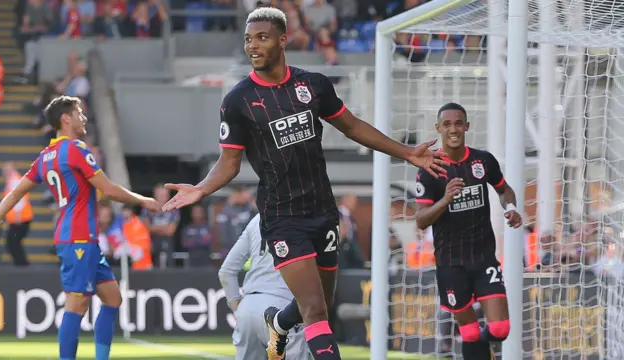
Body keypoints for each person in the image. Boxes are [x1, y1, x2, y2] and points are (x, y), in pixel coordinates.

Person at [161, 7, 448, 360]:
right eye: (248, 39)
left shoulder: (312, 85)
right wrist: (202, 188)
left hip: (323, 212)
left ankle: (279, 325)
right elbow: (229, 162)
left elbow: (353, 127)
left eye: (262, 38)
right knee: (314, 309)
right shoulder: (238, 101)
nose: (253, 46)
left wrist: (407, 153)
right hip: (282, 217)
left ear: (283, 40)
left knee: (321, 304)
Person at [0, 95, 160, 360]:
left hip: (79, 238)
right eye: (79, 112)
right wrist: (143, 200)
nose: (84, 117)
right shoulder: (76, 149)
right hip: (77, 238)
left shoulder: (44, 157)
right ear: (66, 119)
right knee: (77, 304)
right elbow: (109, 190)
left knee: (112, 298)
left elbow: (15, 193)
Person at [414, 102, 523, 360]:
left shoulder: (482, 160)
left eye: (458, 123)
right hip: (451, 263)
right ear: (438, 128)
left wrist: (510, 206)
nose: (454, 129)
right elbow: (420, 221)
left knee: (500, 328)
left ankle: (484, 352)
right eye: (448, 124)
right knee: (471, 334)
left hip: (483, 257)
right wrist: (445, 200)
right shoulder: (430, 170)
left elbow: (503, 188)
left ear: (467, 126)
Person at [219, 213, 309, 360]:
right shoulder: (306, 217)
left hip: (249, 307)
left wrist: (238, 307)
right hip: (284, 309)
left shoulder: (257, 219)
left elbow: (226, 271)